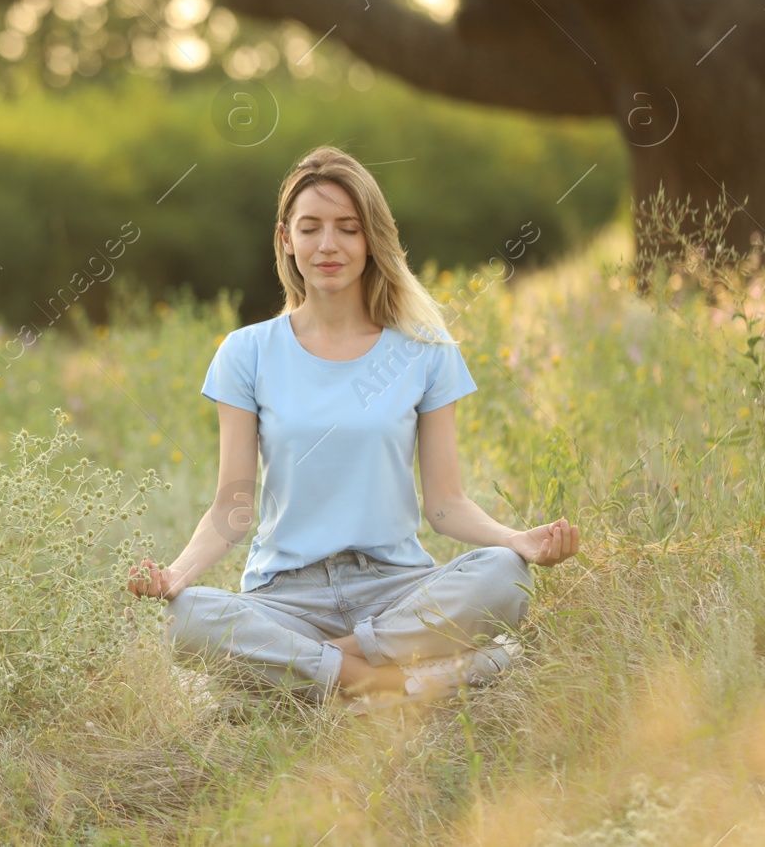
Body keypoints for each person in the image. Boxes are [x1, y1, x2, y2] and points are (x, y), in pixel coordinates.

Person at [126, 146, 579, 708]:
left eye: (347, 228)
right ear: (285, 239)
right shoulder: (247, 352)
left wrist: (518, 541)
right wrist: (176, 574)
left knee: (505, 576)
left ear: (371, 239)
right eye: (310, 228)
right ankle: (410, 680)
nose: (328, 245)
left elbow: (445, 504)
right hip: (284, 597)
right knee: (183, 618)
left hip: (393, 589)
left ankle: (304, 674)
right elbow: (233, 507)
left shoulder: (425, 353)